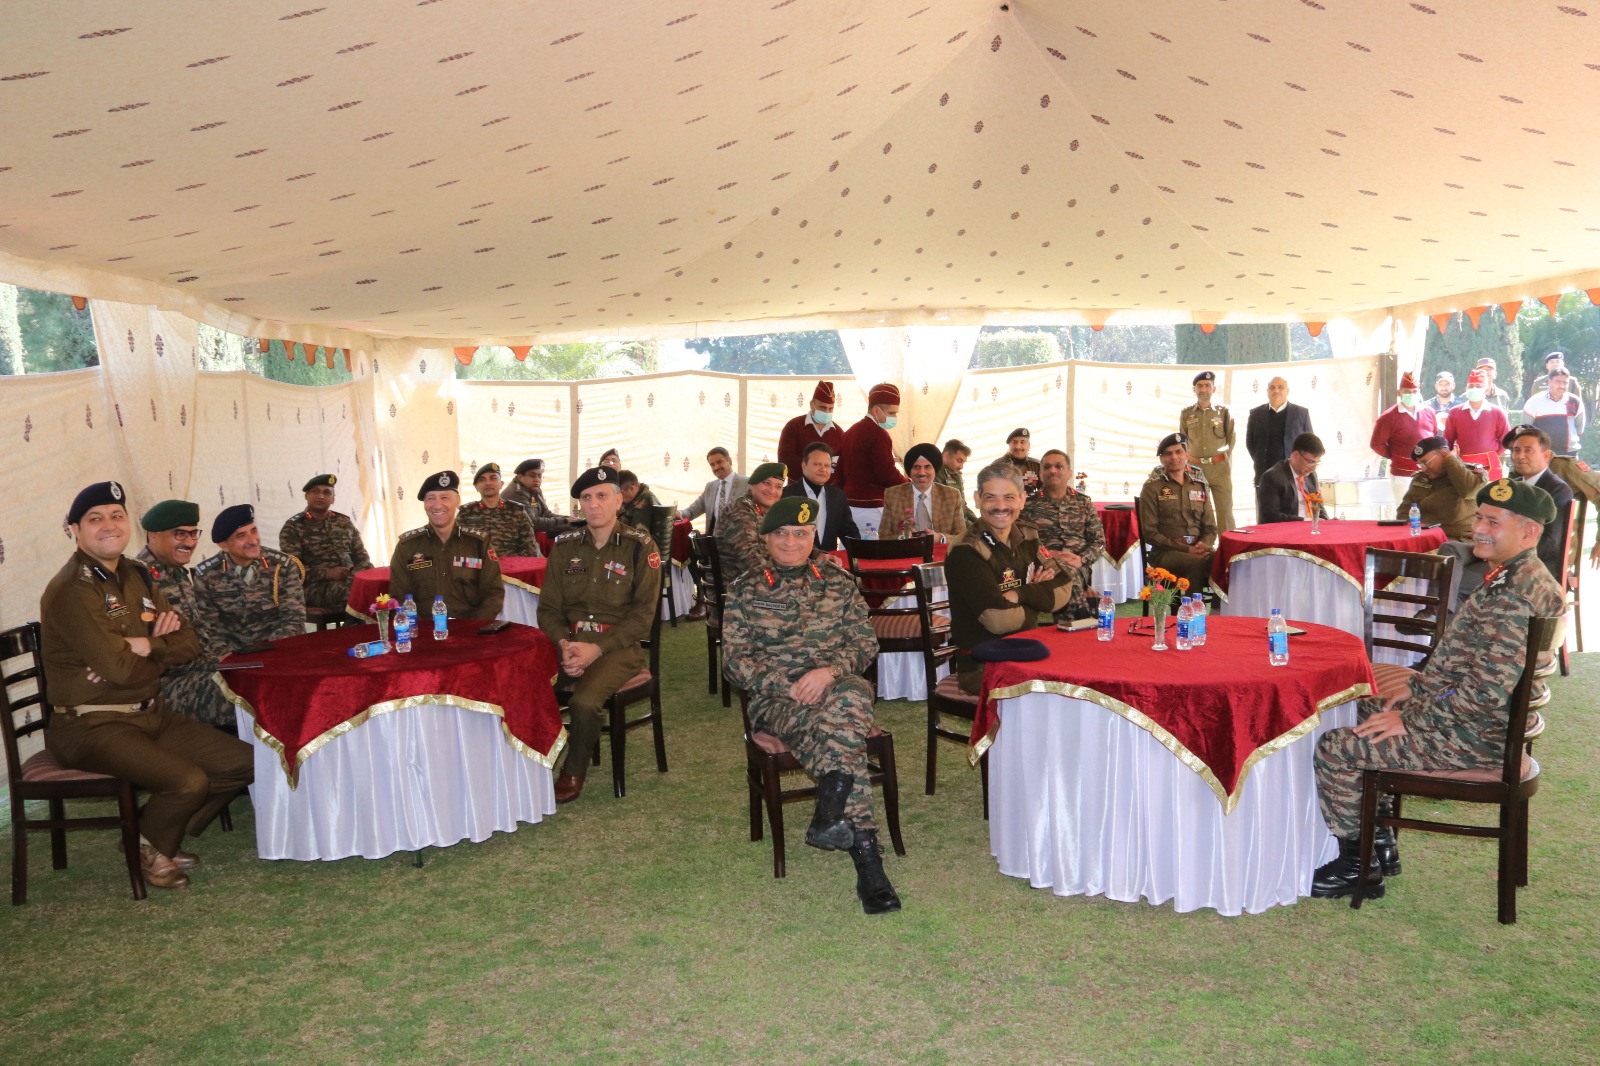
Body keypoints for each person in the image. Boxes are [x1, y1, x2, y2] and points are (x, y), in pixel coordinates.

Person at [1309, 478, 1564, 899]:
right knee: (1359, 707)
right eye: (1479, 516)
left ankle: (1359, 867)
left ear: (1529, 531)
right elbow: (1473, 665)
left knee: (1336, 747)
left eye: (1492, 521)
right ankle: (1382, 843)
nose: (1478, 526)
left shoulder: (1514, 597)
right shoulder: (1518, 577)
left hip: (1475, 737)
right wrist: (1419, 688)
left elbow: (1483, 694)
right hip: (1477, 722)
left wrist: (1409, 721)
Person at [41, 481, 253, 890]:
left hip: (149, 712)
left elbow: (189, 643)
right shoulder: (71, 589)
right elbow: (120, 670)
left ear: (128, 525)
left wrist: (142, 646)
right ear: (74, 530)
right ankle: (154, 846)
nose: (109, 525)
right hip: (91, 724)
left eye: (116, 516)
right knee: (188, 781)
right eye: (95, 518)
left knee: (243, 762)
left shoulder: (137, 575)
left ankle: (149, 838)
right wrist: (153, 650)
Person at [721, 496, 900, 915]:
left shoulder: (837, 582)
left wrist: (828, 673)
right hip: (775, 701)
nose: (790, 541)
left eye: (800, 533)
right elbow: (734, 662)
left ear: (812, 536)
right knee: (844, 727)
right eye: (780, 533)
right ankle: (868, 859)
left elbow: (864, 643)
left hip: (837, 687)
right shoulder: (747, 589)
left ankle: (834, 811)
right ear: (766, 538)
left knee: (850, 698)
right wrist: (790, 685)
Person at [537, 466, 662, 803]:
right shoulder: (564, 547)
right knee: (527, 688)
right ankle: (531, 769)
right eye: (586, 498)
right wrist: (565, 643)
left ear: (619, 501)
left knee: (585, 702)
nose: (593, 504)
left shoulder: (640, 547)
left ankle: (573, 771)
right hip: (570, 643)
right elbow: (548, 609)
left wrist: (596, 649)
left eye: (602, 496)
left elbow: (642, 618)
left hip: (618, 648)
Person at [946, 463, 1075, 695]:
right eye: (990, 498)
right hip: (984, 666)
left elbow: (1065, 587)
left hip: (1029, 652)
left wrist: (1021, 593)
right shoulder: (966, 550)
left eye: (1009, 497)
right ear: (977, 499)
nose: (1001, 506)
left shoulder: (1028, 536)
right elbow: (998, 620)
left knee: (1077, 681)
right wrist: (1039, 596)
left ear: (1022, 500)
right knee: (1056, 693)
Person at [1436, 425, 1573, 613]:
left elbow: (1549, 543)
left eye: (1528, 450)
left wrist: (1500, 553)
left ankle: (1450, 629)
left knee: (1453, 583)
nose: (1520, 456)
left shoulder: (1557, 489)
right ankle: (1433, 612)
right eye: (1516, 450)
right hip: (1495, 549)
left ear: (1546, 455)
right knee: (1450, 550)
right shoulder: (1511, 486)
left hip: (1525, 563)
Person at [135, 500, 235, 730]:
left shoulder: (178, 573)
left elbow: (201, 630)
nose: (190, 542)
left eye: (193, 533)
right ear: (153, 535)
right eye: (179, 534)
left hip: (200, 671)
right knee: (244, 698)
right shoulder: (139, 579)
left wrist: (228, 658)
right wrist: (216, 663)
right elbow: (156, 655)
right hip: (165, 687)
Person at [386, 471, 505, 620]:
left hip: (471, 631)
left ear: (458, 501)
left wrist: (472, 627)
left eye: (445, 498)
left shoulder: (478, 543)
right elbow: (399, 597)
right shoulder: (407, 547)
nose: (437, 505)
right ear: (424, 504)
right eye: (430, 498)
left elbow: (494, 593)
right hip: (423, 633)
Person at [192, 504, 307, 655]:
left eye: (254, 531)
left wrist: (268, 651)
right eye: (241, 535)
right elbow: (208, 628)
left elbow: (295, 619)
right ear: (224, 545)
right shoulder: (207, 575)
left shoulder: (282, 567)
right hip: (231, 656)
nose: (253, 540)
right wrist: (229, 657)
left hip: (279, 649)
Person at [1019, 449, 1105, 621]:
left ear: (1069, 473)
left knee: (1069, 576)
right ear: (1041, 473)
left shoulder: (1083, 503)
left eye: (1059, 467)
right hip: (1044, 564)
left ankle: (1078, 628)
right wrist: (1049, 555)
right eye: (1048, 467)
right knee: (1067, 580)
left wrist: (1082, 559)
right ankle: (1084, 623)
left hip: (1078, 565)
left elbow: (1099, 542)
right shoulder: (1028, 505)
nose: (1053, 471)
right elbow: (1022, 543)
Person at [278, 474, 374, 612]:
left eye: (326, 492)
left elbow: (362, 558)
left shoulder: (344, 522)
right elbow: (293, 570)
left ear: (333, 499)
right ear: (306, 495)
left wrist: (355, 574)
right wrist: (328, 573)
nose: (321, 496)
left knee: (376, 584)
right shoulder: (293, 527)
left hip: (349, 580)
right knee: (353, 593)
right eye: (315, 491)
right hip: (313, 587)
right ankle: (352, 631)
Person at [1136, 433, 1218, 592]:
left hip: (1196, 548)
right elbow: (1150, 533)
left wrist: (1204, 544)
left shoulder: (1198, 486)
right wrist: (1187, 550)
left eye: (1178, 452)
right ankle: (1191, 612)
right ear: (1161, 459)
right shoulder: (1152, 488)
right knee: (1196, 562)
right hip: (1165, 553)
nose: (1174, 457)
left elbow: (1211, 528)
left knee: (1223, 559)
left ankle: (1218, 613)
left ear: (1187, 455)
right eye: (1168, 454)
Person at [838, 382, 908, 535]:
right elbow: (887, 474)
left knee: (850, 552)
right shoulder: (879, 434)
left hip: (848, 504)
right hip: (871, 507)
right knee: (875, 553)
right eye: (891, 413)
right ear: (876, 410)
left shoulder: (850, 431)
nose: (894, 417)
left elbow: (840, 471)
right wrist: (908, 484)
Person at [1399, 436, 1489, 541]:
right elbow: (1404, 510)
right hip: (1424, 536)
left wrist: (1451, 461)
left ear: (1444, 455)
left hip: (1457, 539)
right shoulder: (1420, 478)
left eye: (1426, 462)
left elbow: (1468, 491)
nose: (1423, 469)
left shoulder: (1472, 475)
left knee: (1439, 553)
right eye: (1420, 465)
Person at [1179, 370, 1237, 531]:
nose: (1203, 389)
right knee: (1195, 512)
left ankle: (1227, 549)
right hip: (1195, 470)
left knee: (1224, 511)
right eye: (1199, 386)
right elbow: (1183, 440)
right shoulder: (1186, 414)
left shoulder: (1224, 412)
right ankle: (1201, 551)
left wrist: (1224, 459)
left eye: (1207, 385)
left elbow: (1231, 439)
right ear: (1194, 389)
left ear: (1213, 389)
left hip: (1219, 469)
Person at [1370, 372, 1439, 501]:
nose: (1411, 395)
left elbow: (1433, 435)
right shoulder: (1388, 417)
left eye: (1414, 391)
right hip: (1403, 474)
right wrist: (1395, 455)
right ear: (1399, 393)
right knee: (1405, 512)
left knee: (1429, 511)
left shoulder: (1429, 412)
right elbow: (1376, 444)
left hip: (1428, 473)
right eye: (1407, 391)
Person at [717, 461, 787, 584]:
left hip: (757, 581)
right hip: (738, 588)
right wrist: (785, 578)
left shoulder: (769, 512)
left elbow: (791, 540)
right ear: (752, 484)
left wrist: (817, 554)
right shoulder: (740, 509)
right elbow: (749, 557)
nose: (772, 491)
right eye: (767, 483)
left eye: (778, 486)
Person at [881, 443, 966, 544]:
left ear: (935, 469)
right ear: (909, 470)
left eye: (927, 467)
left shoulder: (952, 496)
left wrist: (940, 538)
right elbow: (883, 537)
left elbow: (962, 538)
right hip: (905, 556)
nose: (922, 473)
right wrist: (903, 538)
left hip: (940, 557)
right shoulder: (893, 495)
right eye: (916, 467)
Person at [782, 441, 858, 551]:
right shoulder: (787, 495)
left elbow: (849, 532)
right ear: (804, 465)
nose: (823, 469)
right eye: (817, 464)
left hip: (828, 564)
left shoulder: (837, 496)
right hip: (796, 562)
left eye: (827, 465)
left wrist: (862, 555)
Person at [459, 462, 540, 558]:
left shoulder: (517, 512)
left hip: (512, 569)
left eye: (493, 478)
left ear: (501, 484)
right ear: (476, 486)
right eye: (482, 480)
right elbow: (459, 549)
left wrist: (514, 566)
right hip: (477, 569)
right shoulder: (466, 513)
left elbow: (529, 548)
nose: (488, 483)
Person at [1244, 376, 1313, 488]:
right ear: (1267, 391)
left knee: (1294, 506)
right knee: (1265, 506)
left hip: (1294, 475)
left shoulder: (1301, 413)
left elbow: (1310, 445)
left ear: (1287, 390)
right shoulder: (1255, 414)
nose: (1276, 391)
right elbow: (1250, 444)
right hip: (1264, 475)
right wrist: (1261, 459)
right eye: (1272, 387)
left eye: (1280, 387)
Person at [1444, 367, 1511, 480]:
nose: (1474, 389)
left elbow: (1506, 440)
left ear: (1486, 388)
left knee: (1489, 495)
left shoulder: (1498, 412)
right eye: (1471, 386)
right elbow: (1448, 440)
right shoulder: (1455, 412)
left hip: (1489, 466)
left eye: (1479, 386)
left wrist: (1492, 456)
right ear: (1466, 388)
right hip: (1462, 465)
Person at [777, 380, 845, 486]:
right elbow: (785, 459)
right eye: (822, 407)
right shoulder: (794, 426)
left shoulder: (839, 433)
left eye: (830, 408)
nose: (826, 412)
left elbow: (840, 466)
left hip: (827, 492)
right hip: (797, 489)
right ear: (812, 404)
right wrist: (814, 473)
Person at [1255, 433, 1329, 525]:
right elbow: (1271, 515)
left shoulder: (1311, 475)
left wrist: (1327, 522)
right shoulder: (1272, 477)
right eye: (1310, 462)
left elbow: (1319, 507)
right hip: (1285, 532)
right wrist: (1304, 521)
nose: (1313, 468)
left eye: (1317, 464)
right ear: (1295, 456)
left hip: (1311, 530)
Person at [679, 446, 748, 535]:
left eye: (719, 462)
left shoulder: (748, 484)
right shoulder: (710, 487)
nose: (716, 467)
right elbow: (691, 512)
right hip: (714, 543)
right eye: (712, 464)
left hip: (741, 544)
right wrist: (678, 513)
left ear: (730, 461)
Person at [1522, 368, 1587, 456]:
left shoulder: (1575, 401)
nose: (1562, 386)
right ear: (1549, 382)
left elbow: (1579, 429)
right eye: (1558, 382)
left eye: (1565, 383)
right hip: (1541, 453)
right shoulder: (1534, 402)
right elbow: (1526, 429)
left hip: (1570, 453)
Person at [503, 458, 578, 534]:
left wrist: (568, 519)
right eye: (532, 476)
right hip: (515, 540)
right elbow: (532, 523)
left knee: (575, 526)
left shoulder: (534, 489)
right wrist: (564, 521)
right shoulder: (516, 493)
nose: (537, 480)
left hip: (530, 535)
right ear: (520, 477)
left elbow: (546, 514)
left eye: (539, 476)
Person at [935, 439, 978, 526]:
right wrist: (970, 527)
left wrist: (977, 522)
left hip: (962, 519)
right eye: (959, 461)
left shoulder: (955, 474)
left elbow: (963, 504)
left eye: (963, 462)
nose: (961, 467)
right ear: (946, 455)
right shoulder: (935, 473)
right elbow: (946, 509)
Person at [996, 428, 1041, 497]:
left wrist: (1038, 498)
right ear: (1009, 445)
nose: (1018, 447)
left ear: (1028, 446)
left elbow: (1045, 489)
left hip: (1032, 505)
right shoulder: (998, 466)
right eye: (1014, 442)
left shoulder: (1036, 465)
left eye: (1023, 442)